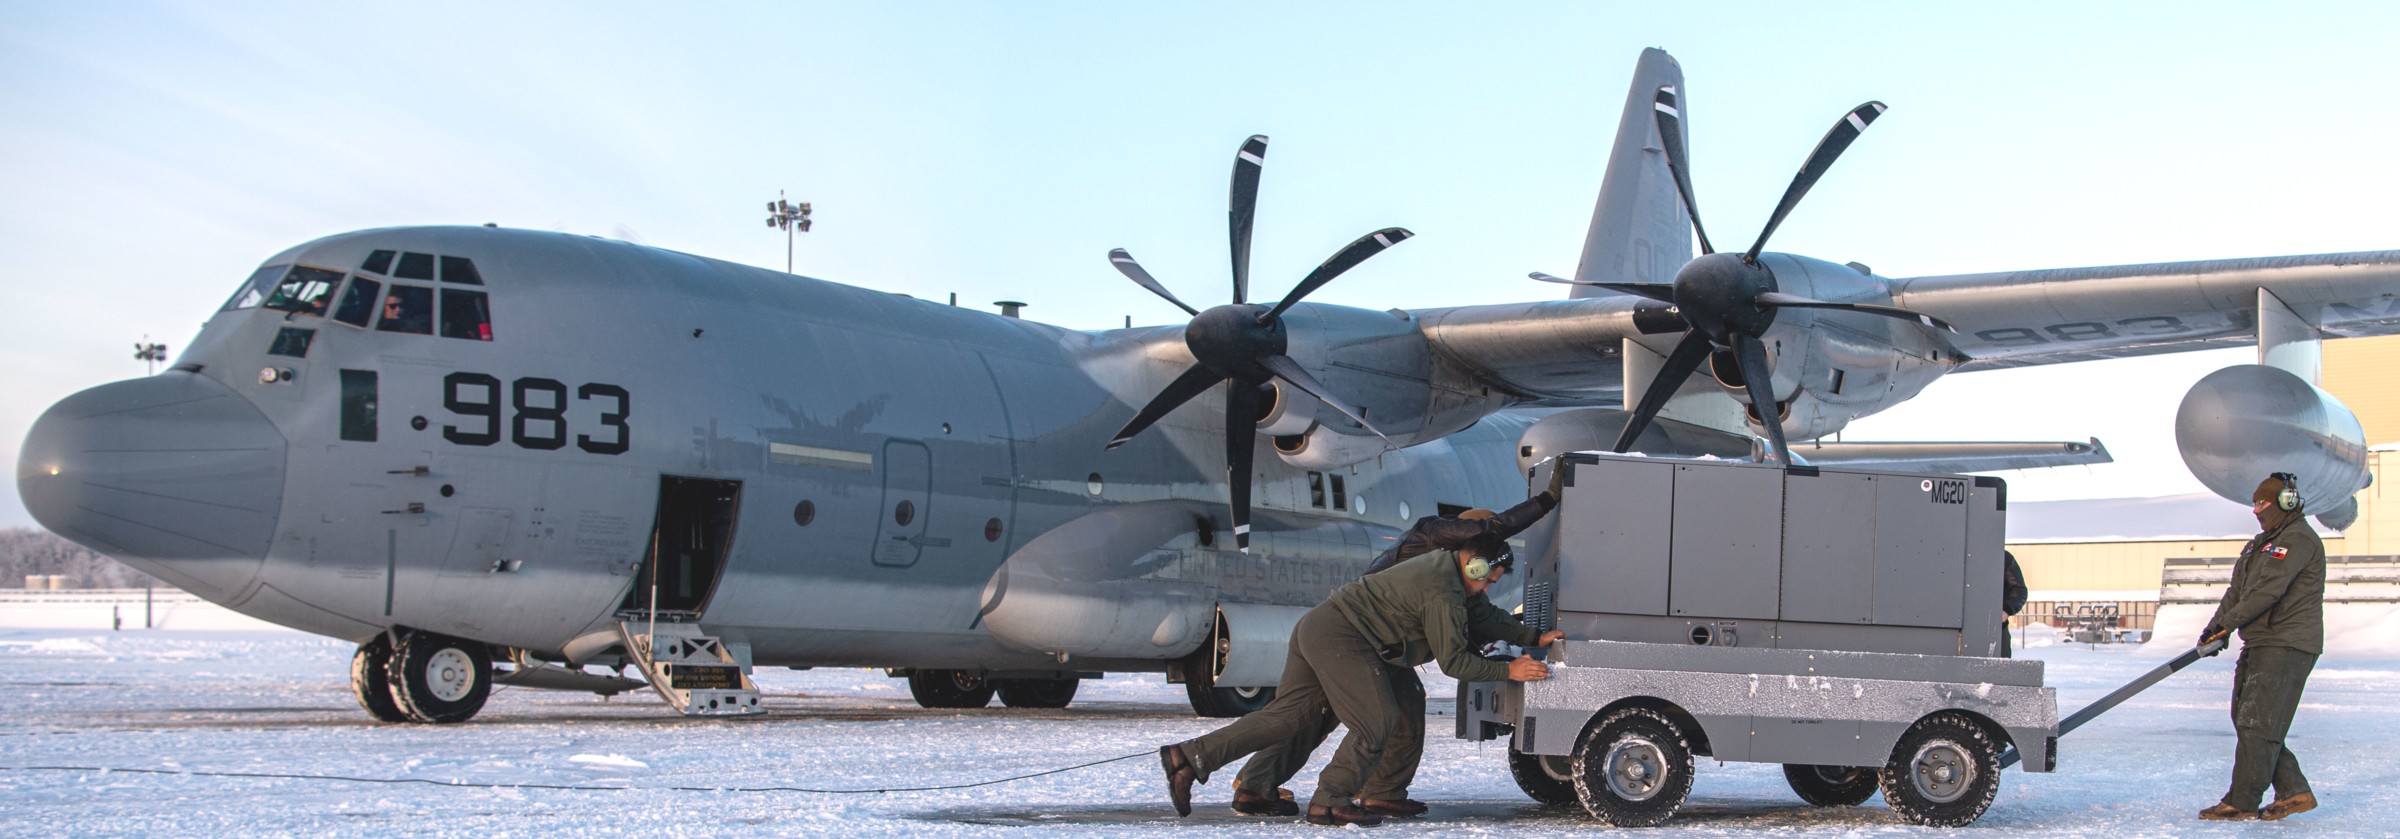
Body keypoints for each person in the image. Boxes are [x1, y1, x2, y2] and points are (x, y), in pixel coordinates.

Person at [1160, 536, 1564, 827]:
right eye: (1487, 579)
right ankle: (1329, 801)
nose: (1487, 586)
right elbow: (1455, 661)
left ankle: (1248, 782)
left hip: (1337, 630)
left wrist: (1531, 637)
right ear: (1472, 565)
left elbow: (1483, 615)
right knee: (1373, 720)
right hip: (1345, 637)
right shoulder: (1441, 592)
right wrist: (1507, 670)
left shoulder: (1457, 579)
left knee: (1395, 704)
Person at [2195, 472, 2325, 822]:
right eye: (2254, 503)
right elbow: (2237, 592)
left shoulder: (2297, 540)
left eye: (2264, 503)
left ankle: (2242, 801)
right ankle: (2295, 791)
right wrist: (2215, 627)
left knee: (2258, 723)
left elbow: (2269, 591)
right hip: (2260, 639)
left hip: (2287, 642)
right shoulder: (2259, 544)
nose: (2257, 510)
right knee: (2247, 719)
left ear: (2287, 502)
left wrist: (2229, 624)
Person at [2000, 551, 2027, 657]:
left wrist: (2006, 609)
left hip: (1996, 628)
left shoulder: (2003, 557)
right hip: (1954, 630)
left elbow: (2019, 590)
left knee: (1999, 670)